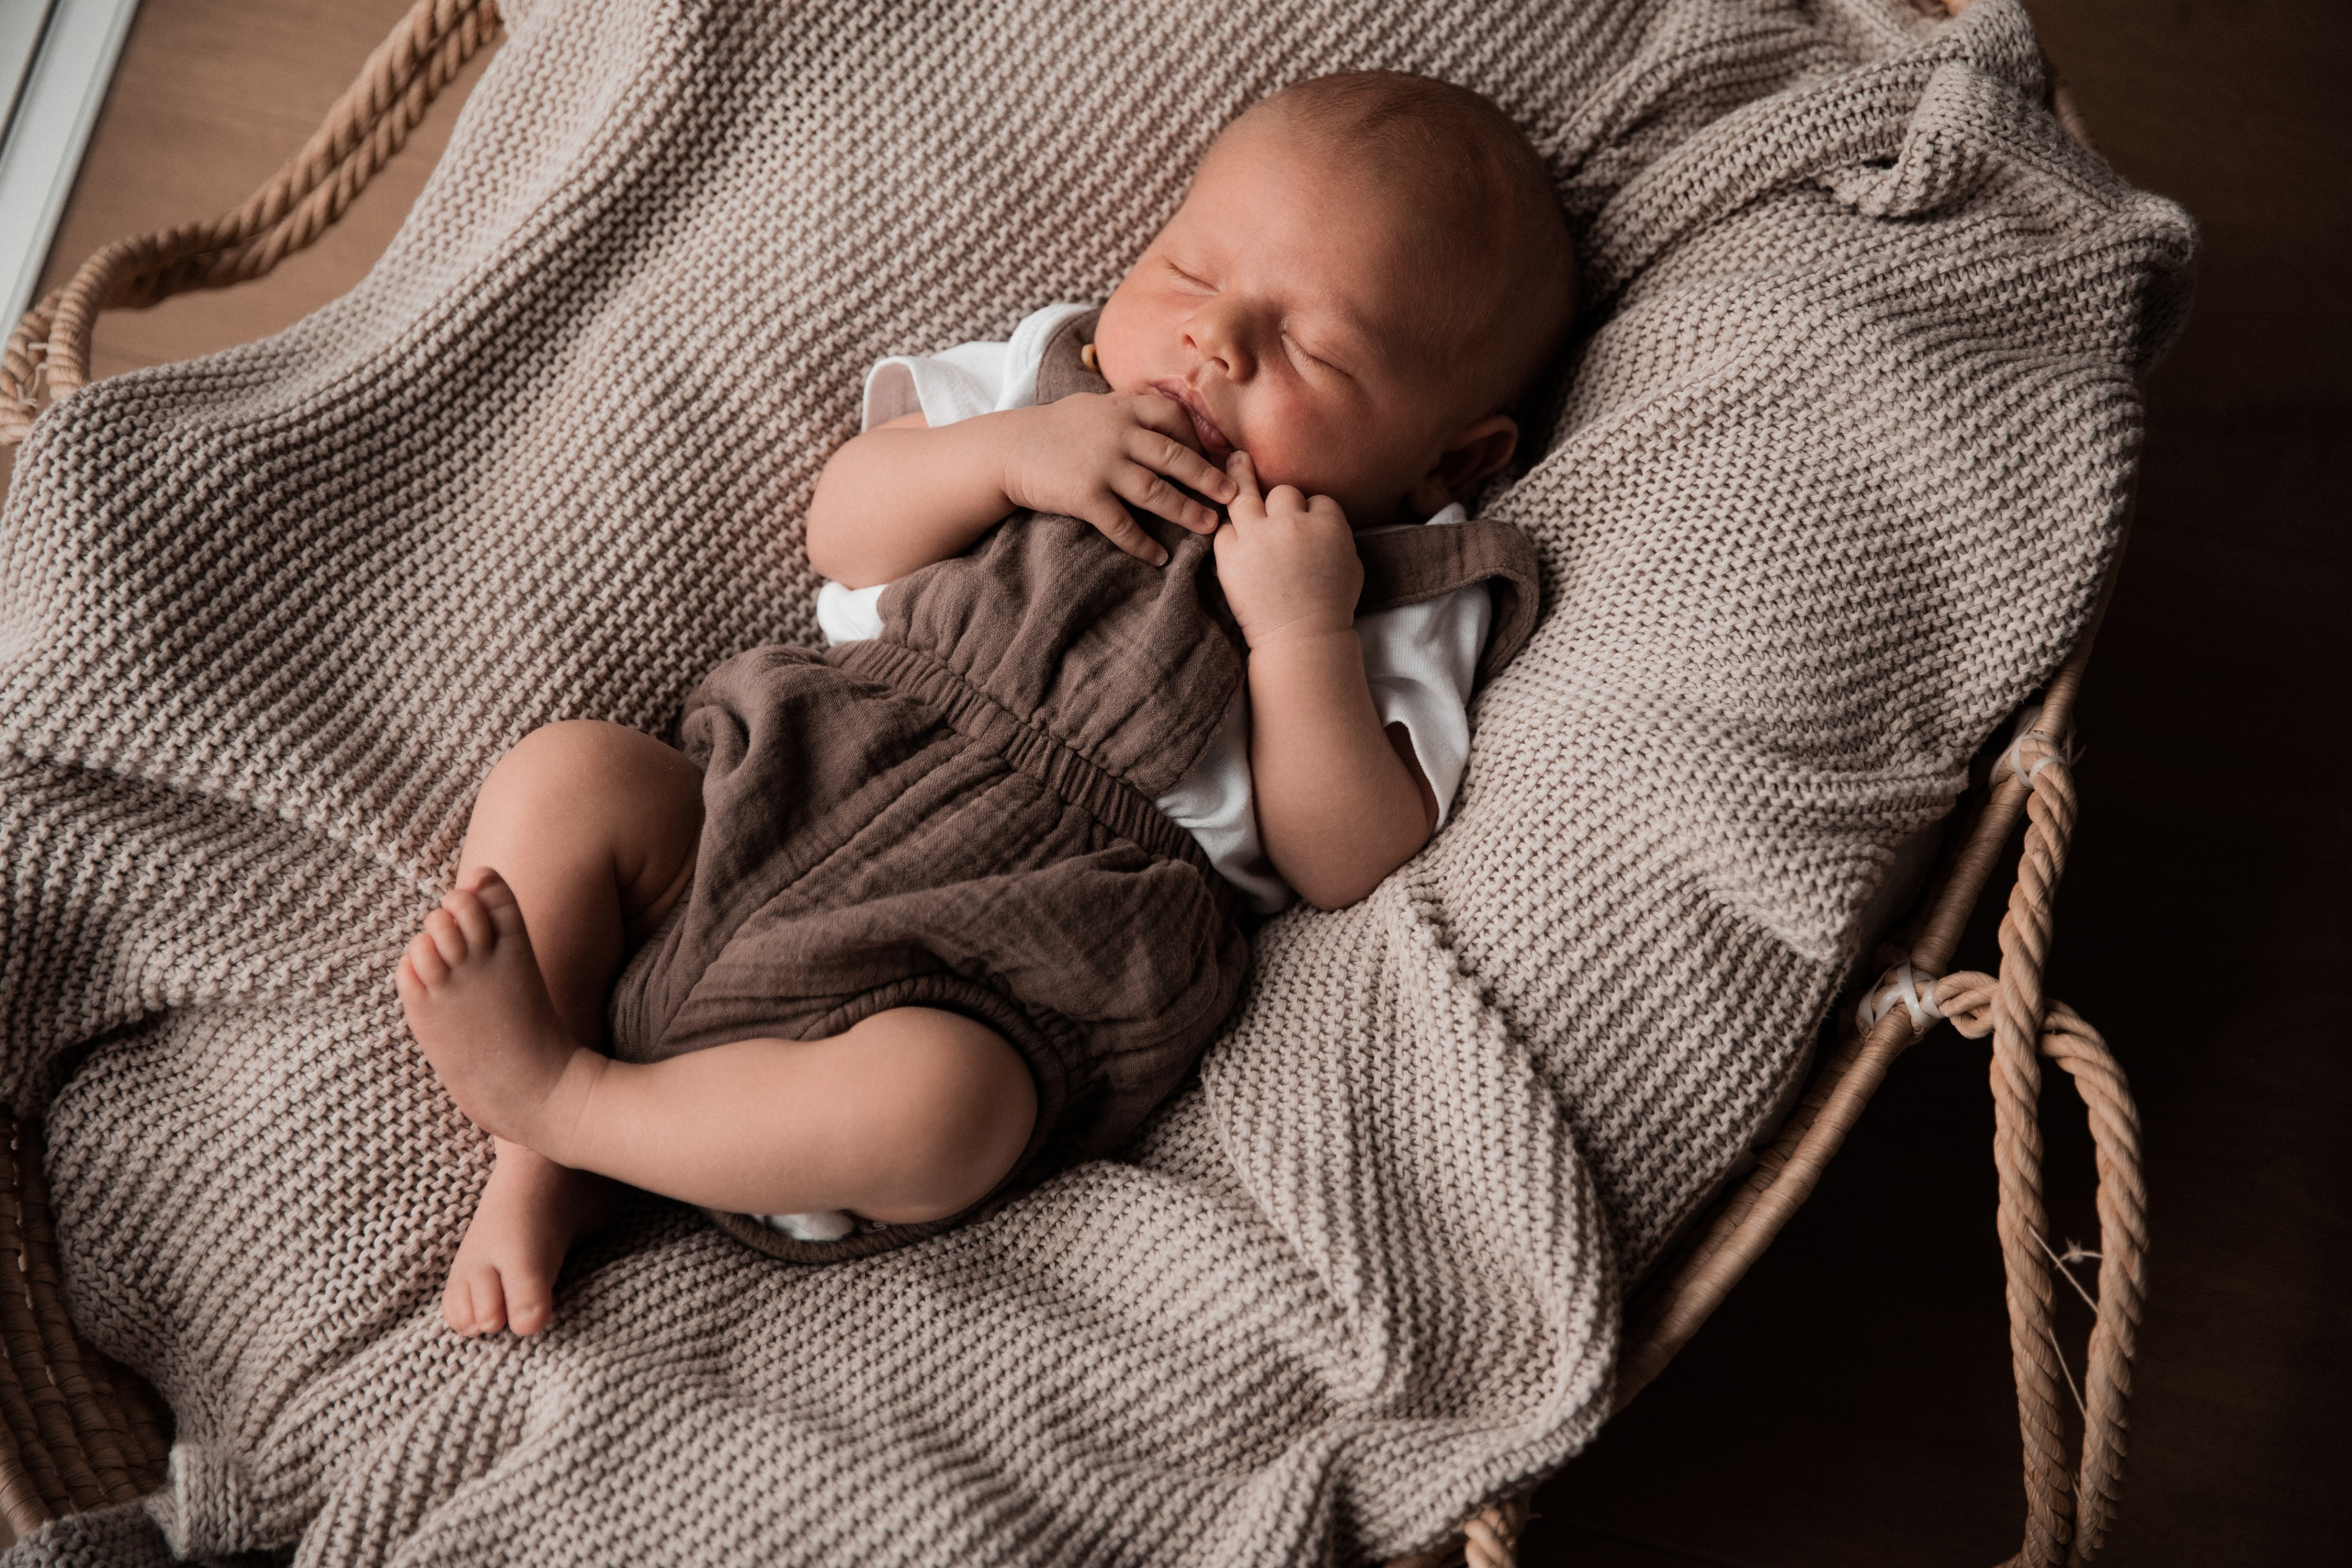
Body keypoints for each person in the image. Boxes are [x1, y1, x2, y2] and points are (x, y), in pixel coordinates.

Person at [394, 70, 1575, 1337]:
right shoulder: (1043, 388)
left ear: (1451, 459)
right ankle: (539, 1180)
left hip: (999, 955)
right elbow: (845, 531)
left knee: (947, 1111)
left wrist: (1298, 632)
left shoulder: (1393, 586)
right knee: (568, 775)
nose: (1214, 341)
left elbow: (1346, 857)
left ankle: (566, 1103)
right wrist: (1004, 456)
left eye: (1311, 347)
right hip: (786, 786)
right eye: (1190, 269)